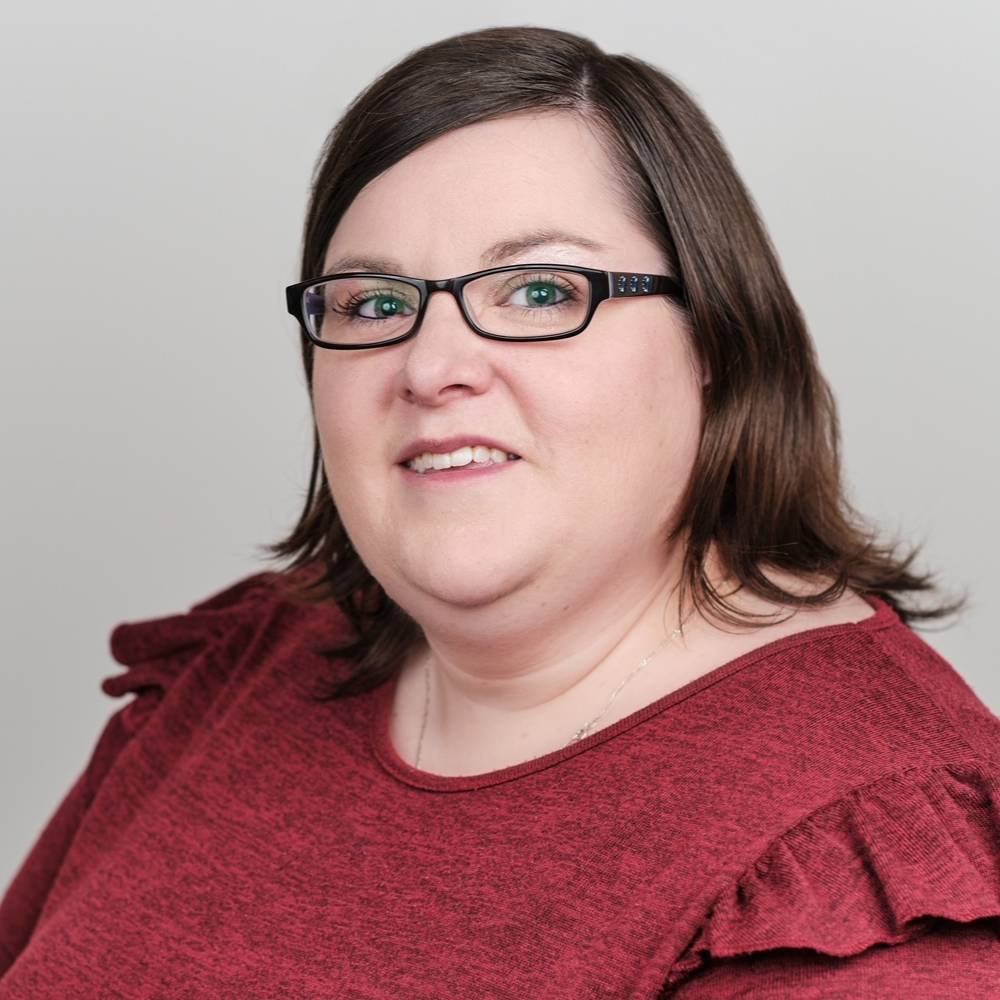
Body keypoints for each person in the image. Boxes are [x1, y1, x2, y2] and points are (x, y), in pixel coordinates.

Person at [1, 24, 997, 999]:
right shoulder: (246, 663)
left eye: (537, 290)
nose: (432, 367)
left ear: (715, 341)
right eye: (374, 304)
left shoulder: (853, 870)